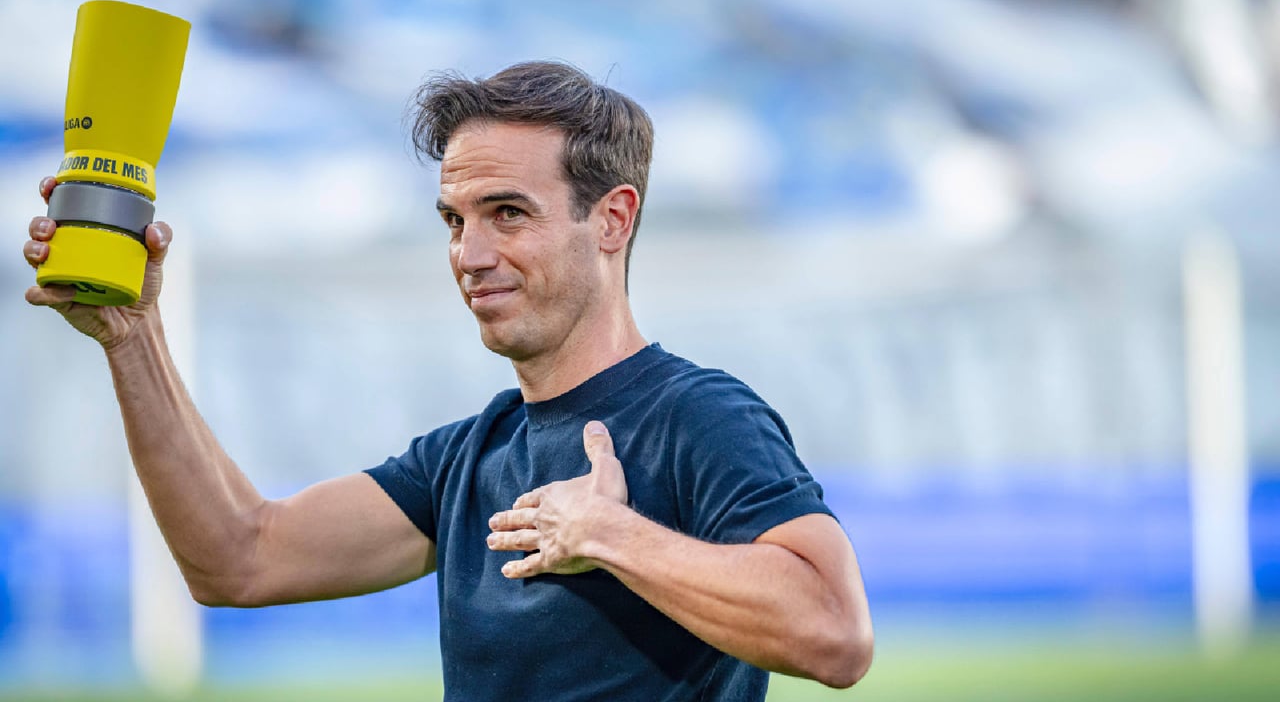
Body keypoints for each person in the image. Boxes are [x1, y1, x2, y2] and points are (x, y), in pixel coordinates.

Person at [22, 61, 873, 700]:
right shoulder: (472, 454)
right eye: (454, 221)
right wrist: (131, 338)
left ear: (612, 219)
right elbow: (238, 559)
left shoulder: (698, 415)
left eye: (508, 214)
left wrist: (611, 535)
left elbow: (835, 635)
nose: (470, 254)